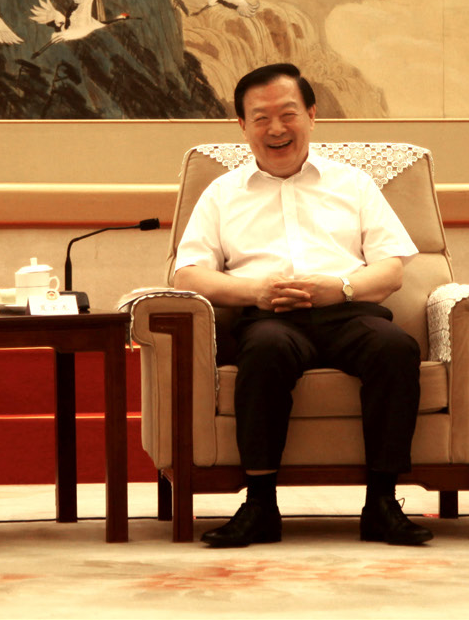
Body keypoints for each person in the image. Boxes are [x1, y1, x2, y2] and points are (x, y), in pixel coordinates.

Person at [173, 63, 431, 547]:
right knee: (265, 351)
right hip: (268, 318)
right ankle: (260, 505)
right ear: (242, 126)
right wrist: (254, 292)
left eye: (288, 113)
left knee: (395, 348)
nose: (276, 128)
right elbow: (186, 274)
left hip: (349, 313)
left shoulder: (353, 184)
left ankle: (381, 503)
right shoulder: (222, 194)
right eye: (261, 117)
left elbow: (391, 270)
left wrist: (340, 287)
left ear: (311, 115)